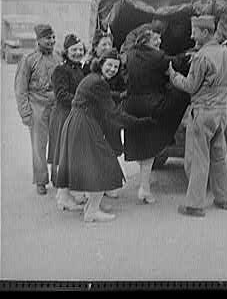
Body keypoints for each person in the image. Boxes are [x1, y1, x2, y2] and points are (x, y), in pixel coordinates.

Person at [56, 49, 153, 223]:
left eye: (116, 67)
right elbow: (113, 113)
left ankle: (88, 205)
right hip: (84, 124)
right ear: (101, 64)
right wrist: (139, 122)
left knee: (91, 163)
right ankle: (92, 211)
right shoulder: (99, 83)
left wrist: (120, 96)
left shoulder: (93, 78)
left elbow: (103, 98)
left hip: (76, 121)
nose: (112, 69)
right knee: (103, 164)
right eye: (109, 65)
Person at [168, 15, 227, 217]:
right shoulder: (226, 53)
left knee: (197, 159)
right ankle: (223, 199)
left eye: (195, 31)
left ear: (205, 33)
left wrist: (173, 75)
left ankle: (195, 204)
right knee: (220, 156)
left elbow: (190, 86)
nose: (191, 35)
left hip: (203, 113)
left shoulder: (201, 57)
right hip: (221, 112)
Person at [122, 25, 190, 204]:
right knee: (183, 94)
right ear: (145, 41)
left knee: (143, 148)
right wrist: (191, 54)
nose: (159, 42)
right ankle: (144, 188)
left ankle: (144, 187)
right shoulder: (156, 56)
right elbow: (176, 62)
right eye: (155, 40)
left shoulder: (131, 54)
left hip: (131, 105)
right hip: (151, 106)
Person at [14, 23, 59, 195]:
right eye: (48, 38)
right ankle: (40, 180)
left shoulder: (58, 57)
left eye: (53, 38)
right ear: (38, 40)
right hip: (37, 107)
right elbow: (20, 89)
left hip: (55, 106)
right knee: (38, 146)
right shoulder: (28, 60)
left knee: (57, 143)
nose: (52, 41)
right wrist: (25, 113)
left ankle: (57, 176)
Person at [83, 29, 127, 198]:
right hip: (95, 112)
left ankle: (109, 182)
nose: (107, 46)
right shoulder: (89, 66)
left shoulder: (115, 63)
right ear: (95, 46)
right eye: (103, 44)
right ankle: (93, 185)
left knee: (112, 147)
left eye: (109, 43)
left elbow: (122, 85)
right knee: (95, 148)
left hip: (111, 112)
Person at [48, 33, 86, 211]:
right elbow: (61, 95)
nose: (78, 52)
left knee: (73, 155)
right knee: (64, 156)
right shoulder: (60, 70)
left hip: (75, 115)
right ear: (66, 51)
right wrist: (82, 100)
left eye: (80, 49)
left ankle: (71, 192)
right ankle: (63, 197)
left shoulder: (80, 69)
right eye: (74, 49)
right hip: (64, 115)